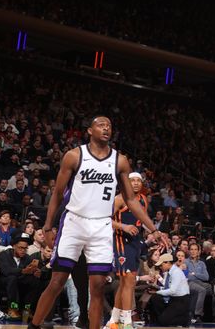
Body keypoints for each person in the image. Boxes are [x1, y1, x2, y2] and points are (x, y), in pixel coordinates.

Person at [27, 116, 170, 329]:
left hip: (102, 225)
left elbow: (130, 200)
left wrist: (153, 228)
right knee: (57, 281)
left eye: (109, 126)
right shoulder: (74, 156)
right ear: (89, 131)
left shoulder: (119, 161)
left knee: (98, 286)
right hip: (74, 222)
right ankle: (34, 325)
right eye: (101, 125)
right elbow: (57, 192)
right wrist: (48, 226)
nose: (106, 128)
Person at [109, 172, 151, 329]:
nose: (135, 183)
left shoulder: (143, 199)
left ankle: (114, 320)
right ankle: (126, 322)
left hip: (134, 242)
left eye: (138, 181)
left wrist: (154, 233)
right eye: (132, 180)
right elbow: (105, 218)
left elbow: (143, 220)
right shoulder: (120, 198)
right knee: (127, 280)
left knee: (128, 282)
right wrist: (124, 226)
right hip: (120, 240)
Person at [0, 233, 44, 320]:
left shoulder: (27, 258)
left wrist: (36, 272)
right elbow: (6, 271)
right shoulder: (5, 255)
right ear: (14, 246)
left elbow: (29, 272)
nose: (23, 250)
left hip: (19, 281)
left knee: (34, 280)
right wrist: (22, 271)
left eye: (25, 248)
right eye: (21, 248)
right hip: (5, 280)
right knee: (12, 278)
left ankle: (27, 309)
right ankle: (13, 308)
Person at [150, 252, 191, 326]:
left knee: (163, 321)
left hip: (181, 300)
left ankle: (185, 319)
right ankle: (165, 317)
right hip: (173, 299)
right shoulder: (167, 273)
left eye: (161, 265)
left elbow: (172, 291)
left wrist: (158, 292)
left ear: (167, 263)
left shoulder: (176, 272)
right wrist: (156, 289)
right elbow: (166, 287)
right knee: (155, 298)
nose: (160, 267)